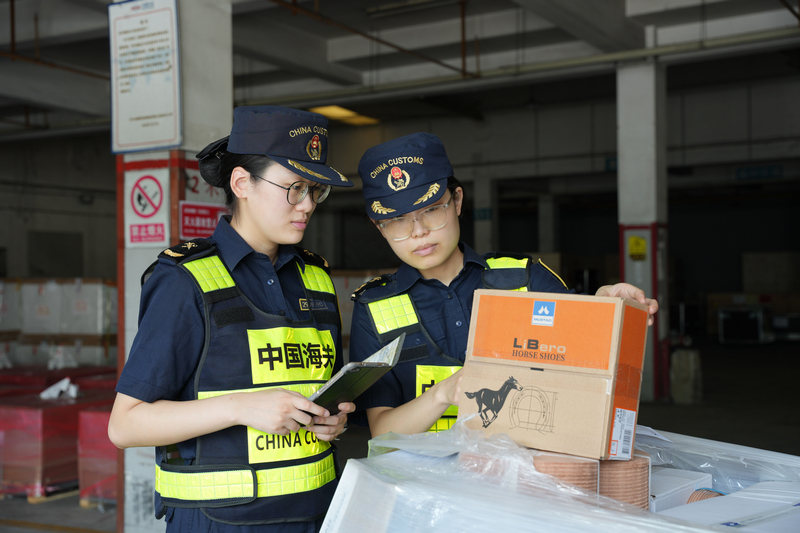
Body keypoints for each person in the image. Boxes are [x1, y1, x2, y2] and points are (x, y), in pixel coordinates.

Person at [108, 105, 356, 532]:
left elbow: (317, 388)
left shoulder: (315, 278)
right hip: (219, 522)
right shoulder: (186, 280)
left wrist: (332, 419)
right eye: (294, 188)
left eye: (316, 191)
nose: (307, 205)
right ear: (241, 183)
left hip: (316, 515)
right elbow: (125, 425)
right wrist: (239, 407)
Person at [348, 132, 659, 438]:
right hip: (423, 472)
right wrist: (441, 394)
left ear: (457, 201)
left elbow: (586, 344)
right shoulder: (373, 309)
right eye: (398, 220)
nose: (418, 231)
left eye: (430, 209)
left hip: (521, 468)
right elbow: (382, 433)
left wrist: (606, 305)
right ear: (379, 227)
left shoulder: (524, 279)